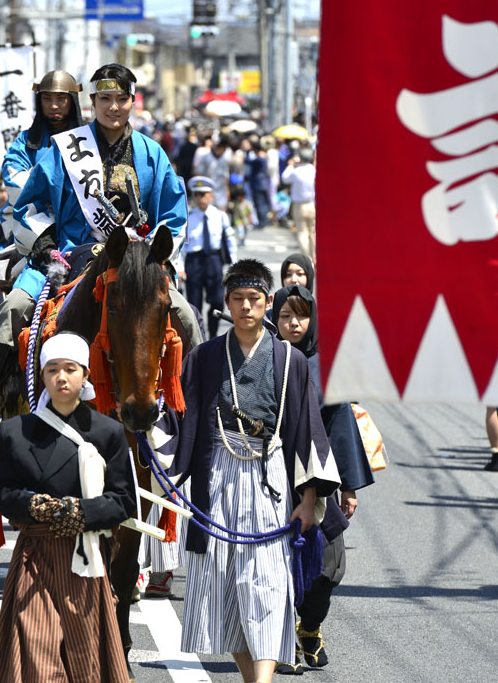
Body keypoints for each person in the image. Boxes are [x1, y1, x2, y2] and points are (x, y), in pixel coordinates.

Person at [159, 258, 341, 683]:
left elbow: (306, 431)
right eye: (237, 299)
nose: (246, 307)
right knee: (226, 588)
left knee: (267, 585)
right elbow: (180, 417)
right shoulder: (204, 357)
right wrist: (144, 427)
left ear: (266, 303)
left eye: (255, 300)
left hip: (271, 477)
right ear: (226, 302)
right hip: (218, 475)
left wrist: (309, 499)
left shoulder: (290, 360)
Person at [0, 62, 197, 385]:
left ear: (133, 102)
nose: (114, 107)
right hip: (69, 257)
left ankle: (194, 402)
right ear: (93, 102)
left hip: (136, 262)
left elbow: (173, 215)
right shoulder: (65, 149)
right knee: (13, 308)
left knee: (187, 319)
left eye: (122, 99)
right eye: (105, 98)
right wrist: (43, 246)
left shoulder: (152, 154)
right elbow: (29, 203)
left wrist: (153, 255)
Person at [0, 332, 134, 682]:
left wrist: (80, 513)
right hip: (34, 555)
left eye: (70, 369)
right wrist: (34, 506)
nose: (61, 377)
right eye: (52, 369)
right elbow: (3, 492)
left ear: (85, 374)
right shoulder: (13, 431)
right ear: (41, 376)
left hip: (83, 555)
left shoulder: (108, 432)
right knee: (36, 646)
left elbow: (124, 500)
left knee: (84, 656)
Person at [271, 284, 373, 675]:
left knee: (329, 567)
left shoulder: (327, 364)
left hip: (320, 479)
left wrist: (348, 485)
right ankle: (279, 642)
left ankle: (309, 628)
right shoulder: (265, 360)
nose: (293, 323)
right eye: (284, 315)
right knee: (275, 566)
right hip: (271, 478)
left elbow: (342, 424)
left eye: (301, 315)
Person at [1, 69, 84, 245]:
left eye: (61, 98)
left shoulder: (90, 140)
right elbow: (15, 182)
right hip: (33, 232)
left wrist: (36, 177)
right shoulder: (24, 142)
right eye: (47, 98)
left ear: (72, 100)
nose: (54, 105)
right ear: (39, 101)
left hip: (84, 231)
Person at [181, 175, 236, 338]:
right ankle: (198, 335)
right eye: (196, 194)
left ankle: (213, 333)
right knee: (194, 302)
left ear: (211, 196)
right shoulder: (189, 217)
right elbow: (183, 245)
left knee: (217, 300)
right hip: (194, 261)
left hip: (213, 260)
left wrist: (233, 262)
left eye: (203, 194)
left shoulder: (220, 216)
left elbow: (230, 238)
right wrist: (181, 267)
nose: (199, 198)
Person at [280, 148, 317, 261]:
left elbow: (285, 178)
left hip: (299, 205)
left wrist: (291, 165)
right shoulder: (314, 170)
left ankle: (306, 258)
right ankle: (315, 257)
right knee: (313, 232)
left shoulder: (296, 171)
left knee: (302, 232)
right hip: (312, 204)